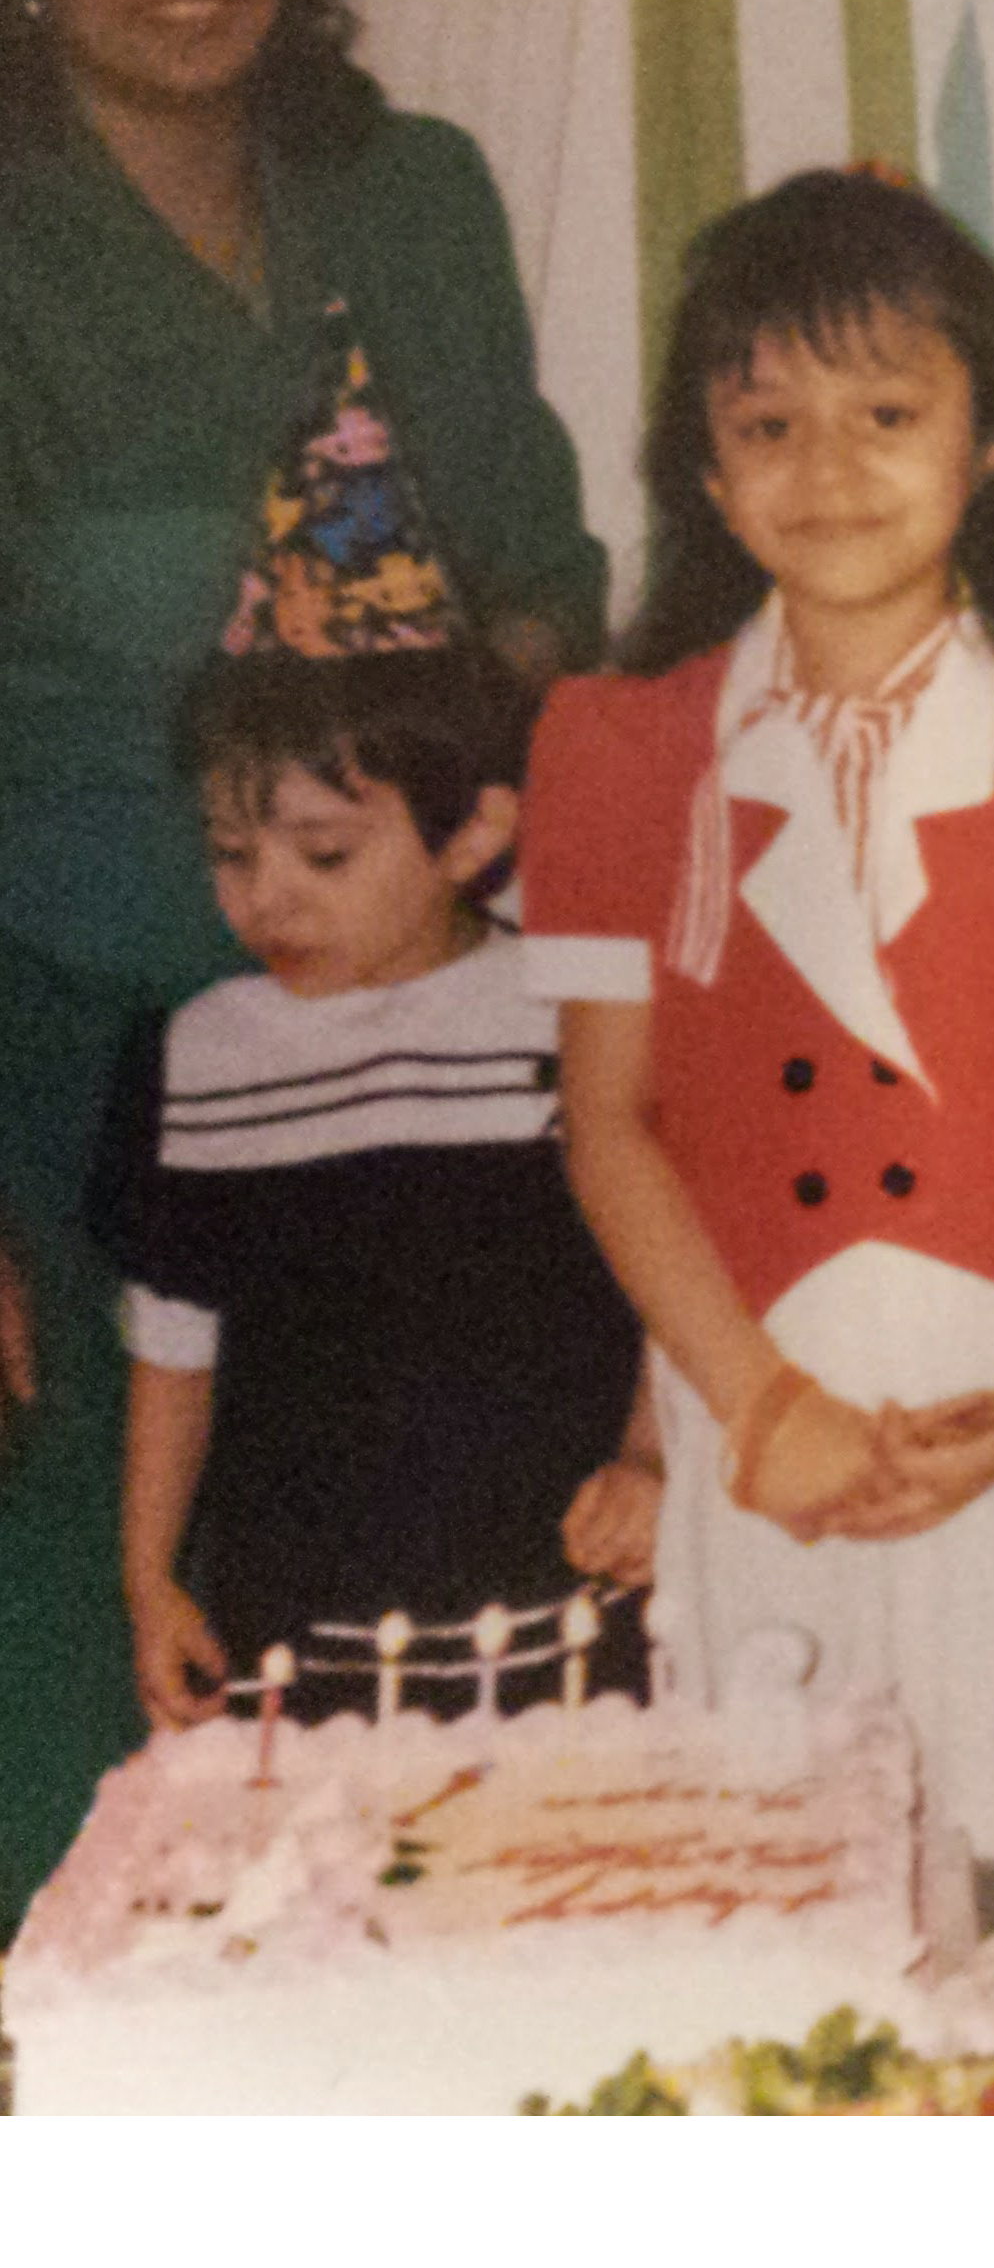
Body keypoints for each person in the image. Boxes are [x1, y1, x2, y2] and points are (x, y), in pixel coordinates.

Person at [0, 0, 602, 1921]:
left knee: (429, 1683)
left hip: (420, 1071)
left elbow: (545, 576)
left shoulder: (410, 190)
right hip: (65, 1071)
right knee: (84, 1679)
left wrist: (441, 763)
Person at [518, 169, 994, 1880]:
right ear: (706, 472)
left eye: (888, 414)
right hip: (756, 1383)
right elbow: (608, 1126)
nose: (828, 470)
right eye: (768, 425)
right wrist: (762, 1408)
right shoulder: (621, 741)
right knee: (774, 1845)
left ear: (993, 437)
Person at [105, 500, 649, 1724]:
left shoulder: (568, 1014)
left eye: (325, 854)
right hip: (301, 1618)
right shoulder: (201, 1056)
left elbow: (663, 1270)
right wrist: (149, 1576)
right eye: (231, 852)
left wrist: (651, 1454)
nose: (267, 898)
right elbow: (174, 1348)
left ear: (476, 832)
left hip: (555, 1599)